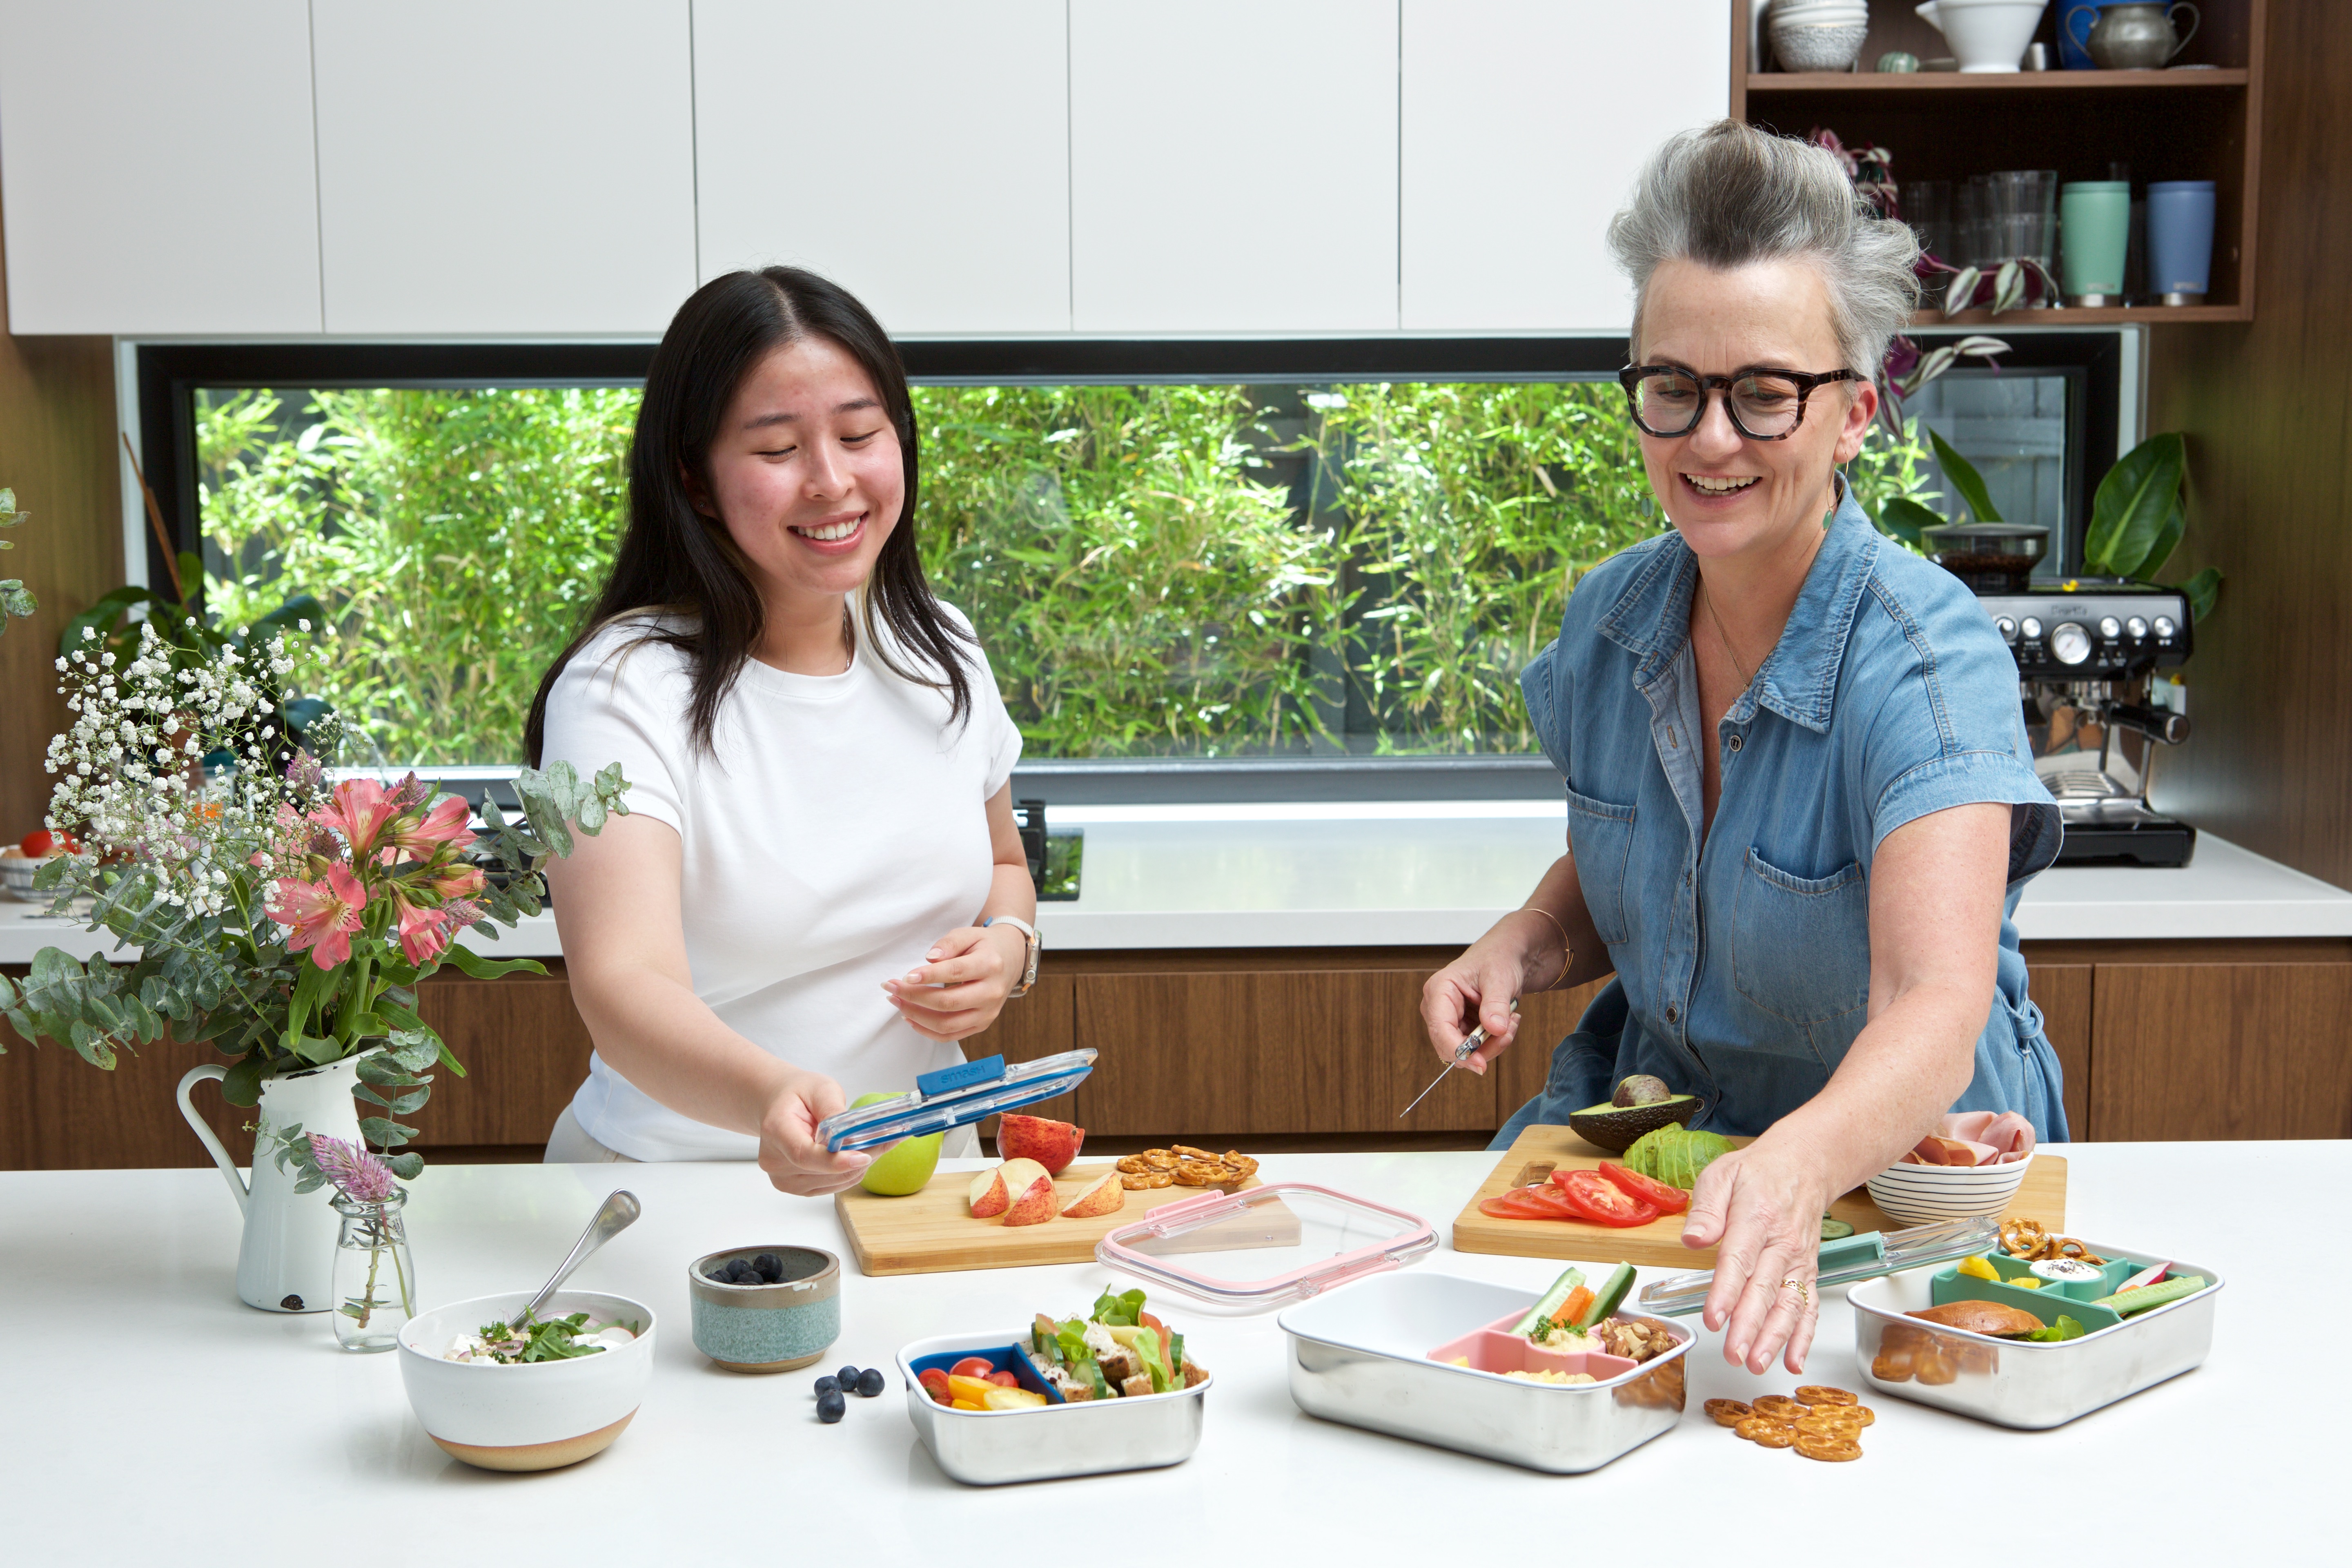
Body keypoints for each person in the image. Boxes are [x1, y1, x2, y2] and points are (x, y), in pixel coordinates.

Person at [1418, 122, 2063, 1375]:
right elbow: (1648, 866)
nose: (1709, 440)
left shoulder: (1926, 659)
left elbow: (1936, 999)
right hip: (1667, 1149)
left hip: (1906, 1186)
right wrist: (1524, 944)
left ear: (1854, 413)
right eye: (1673, 387)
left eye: (1764, 392)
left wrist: (1802, 1163)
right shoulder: (1610, 619)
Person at [526, 267, 1040, 1195]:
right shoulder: (621, 687)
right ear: (697, 479)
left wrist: (1007, 948)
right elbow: (622, 984)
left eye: (858, 434)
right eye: (776, 450)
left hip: (929, 1183)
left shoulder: (941, 648)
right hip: (685, 1185)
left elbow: (1005, 866)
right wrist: (772, 1095)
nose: (832, 481)